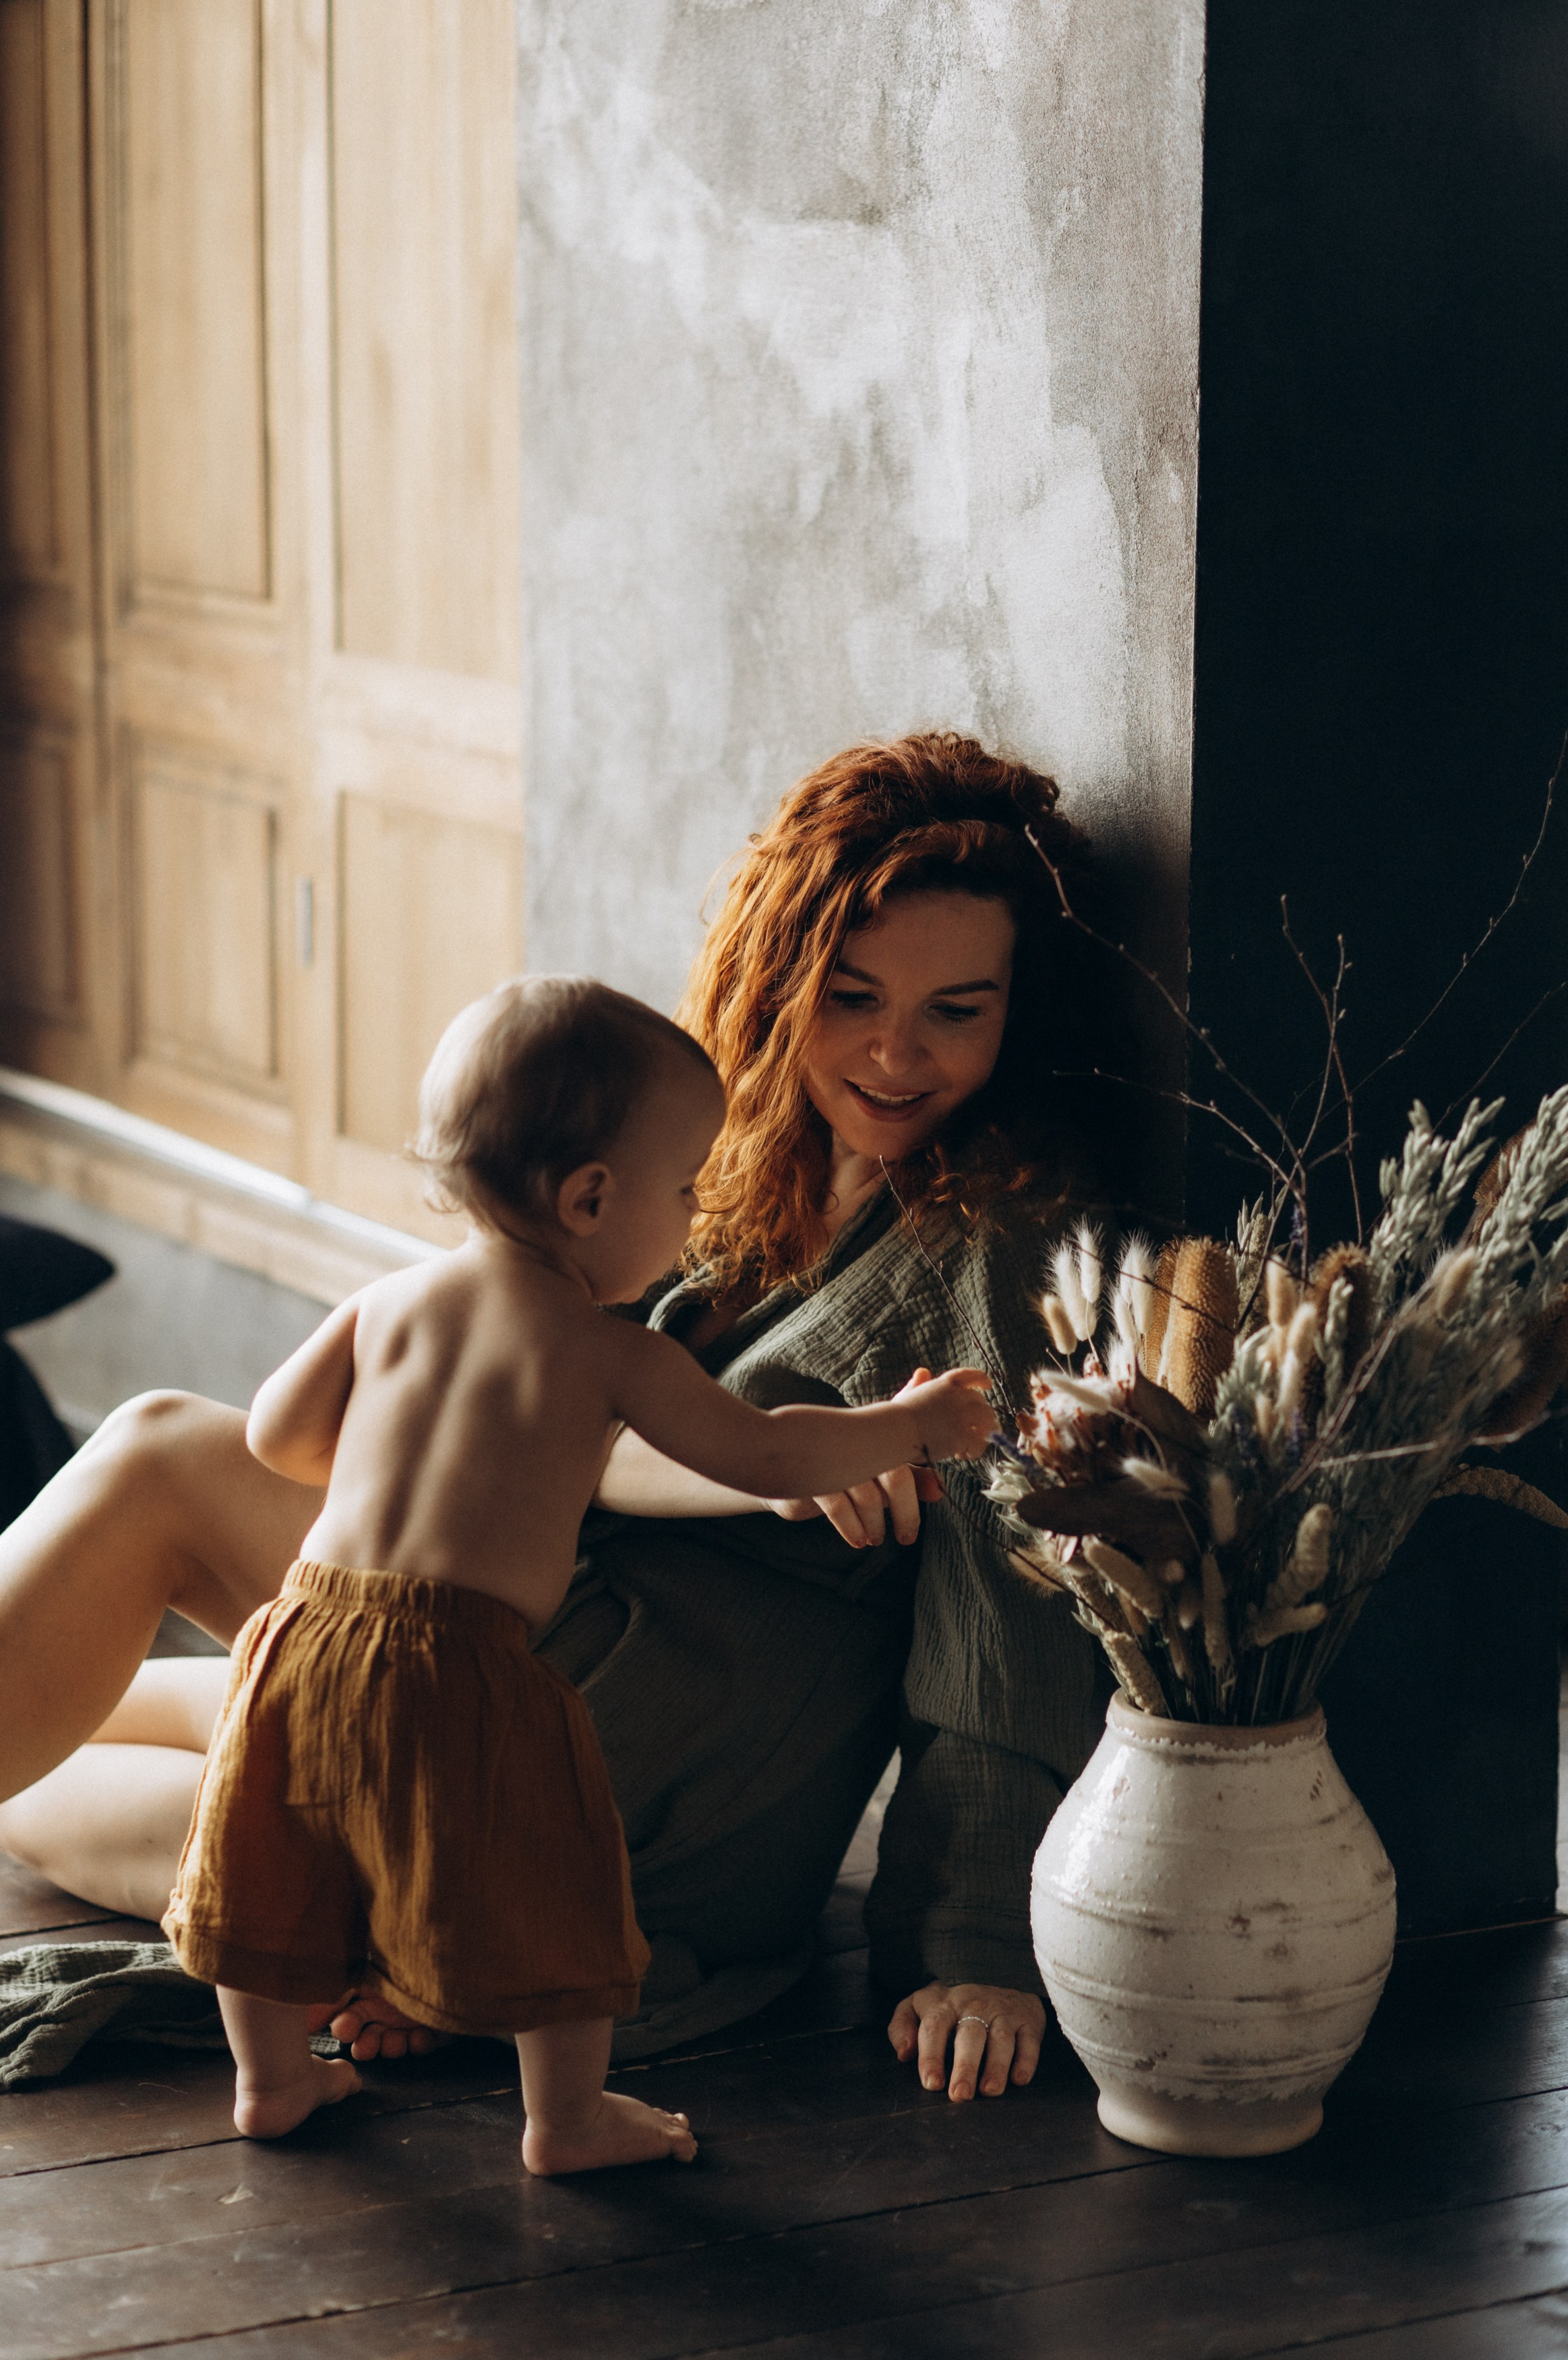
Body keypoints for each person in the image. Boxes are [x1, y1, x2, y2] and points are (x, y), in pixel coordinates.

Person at [0, 731, 1116, 2106]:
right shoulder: (715, 1156)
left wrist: (974, 1940)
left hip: (657, 1758)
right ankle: (388, 1937)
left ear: (1019, 1015)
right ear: (782, 978)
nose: (895, 1051)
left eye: (958, 1009)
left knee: (166, 1468)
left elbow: (1009, 1628)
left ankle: (421, 1940)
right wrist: (753, 1477)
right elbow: (588, 1422)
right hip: (534, 1631)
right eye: (851, 994)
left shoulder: (1002, 1250)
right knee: (53, 1767)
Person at [169, 976, 992, 2167]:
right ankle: (563, 2119)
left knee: (272, 1855)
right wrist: (905, 1428)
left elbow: (276, 1440)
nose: (695, 1210)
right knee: (553, 1887)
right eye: (684, 1187)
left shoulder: (387, 1303)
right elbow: (763, 1450)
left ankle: (273, 2081)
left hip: (300, 1631)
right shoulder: (610, 1352)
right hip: (466, 1662)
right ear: (592, 1198)